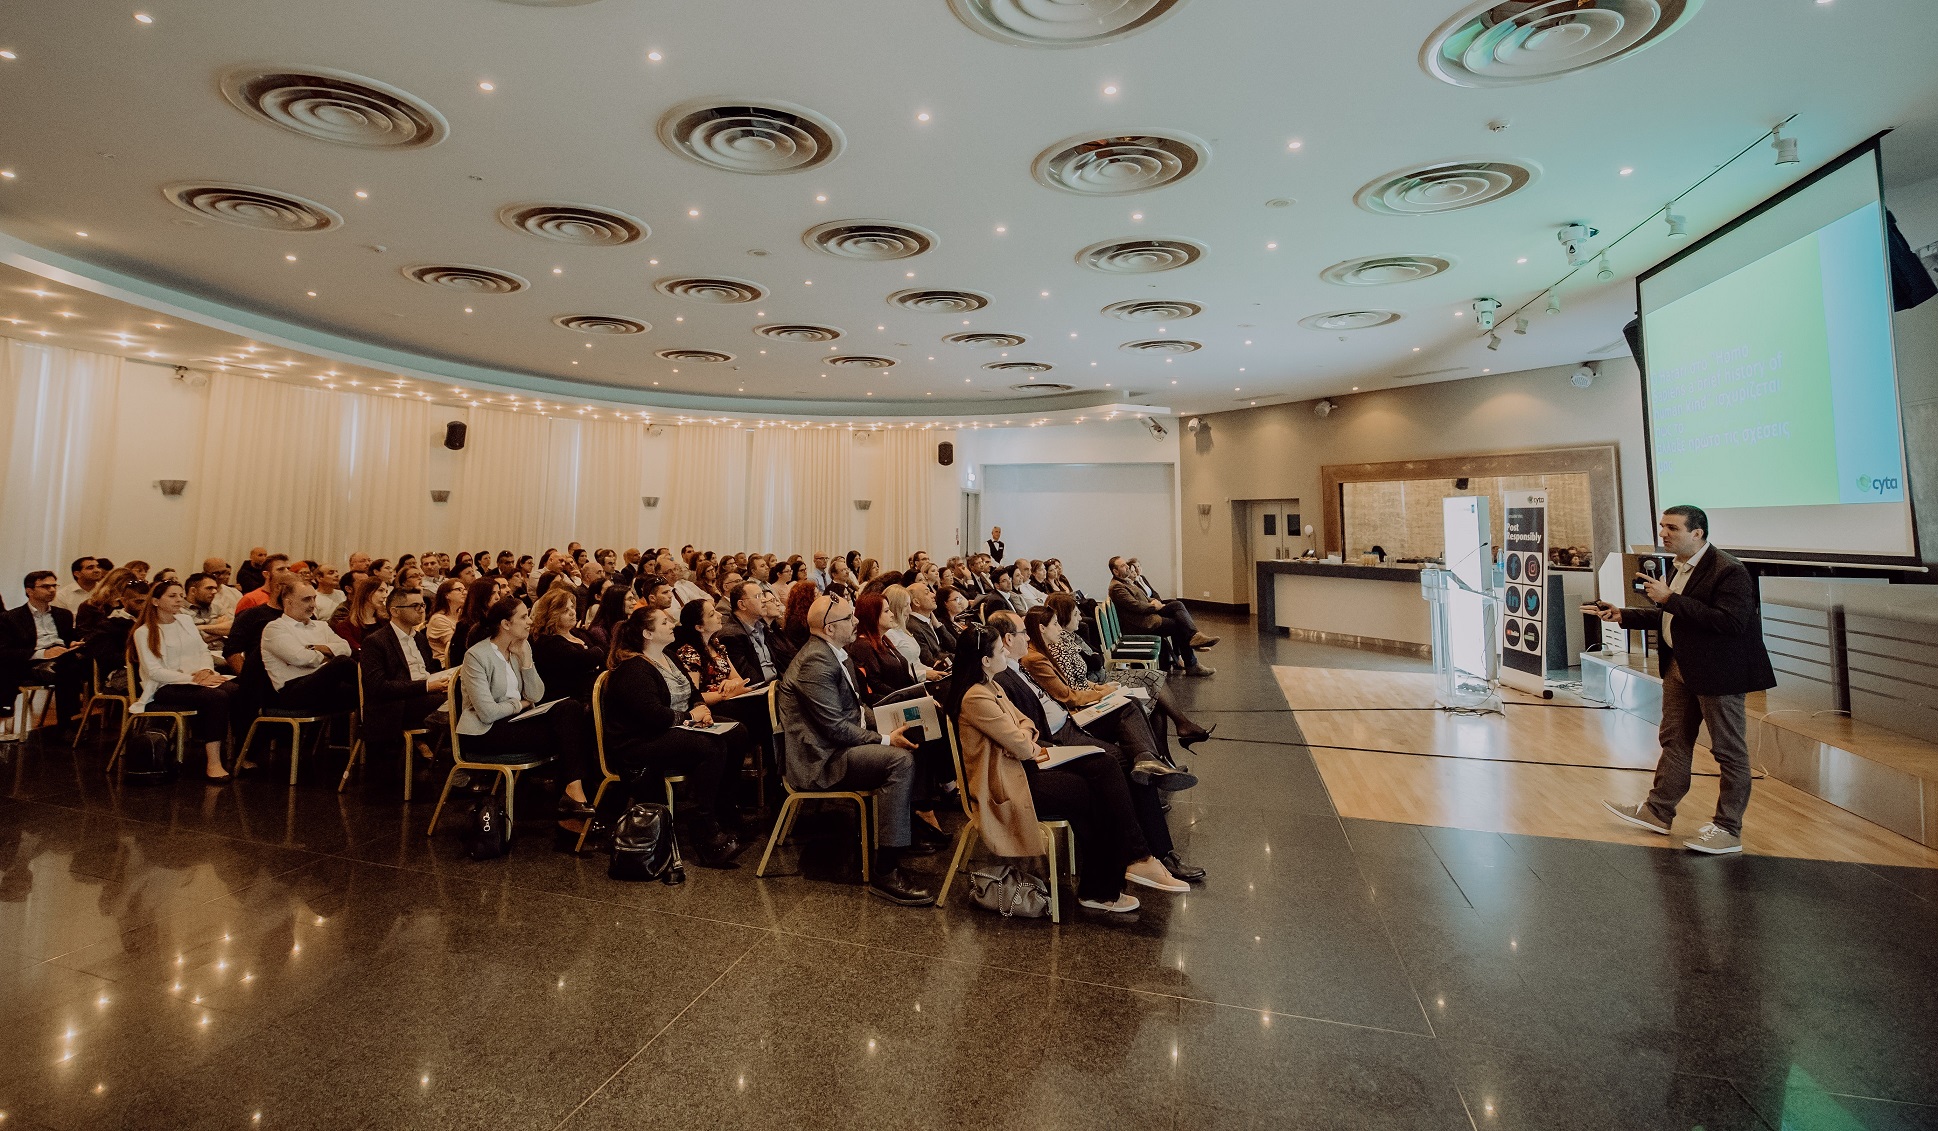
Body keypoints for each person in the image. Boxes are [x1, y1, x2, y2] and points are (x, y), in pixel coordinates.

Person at [945, 623, 1186, 914]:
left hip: (1022, 768)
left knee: (1104, 764)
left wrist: (1023, 738)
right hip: (1004, 783)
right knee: (1087, 790)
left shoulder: (991, 685)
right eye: (999, 650)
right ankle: (1106, 884)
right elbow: (1022, 744)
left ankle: (1137, 860)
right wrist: (1025, 741)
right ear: (985, 660)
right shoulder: (975, 697)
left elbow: (1026, 724)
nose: (1005, 653)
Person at [1598, 506, 1777, 855]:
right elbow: (1675, 616)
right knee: (1674, 741)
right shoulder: (1680, 566)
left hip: (1718, 673)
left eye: (1672, 528)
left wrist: (1671, 599)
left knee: (1728, 751)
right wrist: (1625, 614)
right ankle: (1658, 811)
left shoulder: (1729, 571)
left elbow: (1730, 623)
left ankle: (1728, 829)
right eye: (1662, 526)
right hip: (1680, 668)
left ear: (1698, 533)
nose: (1663, 534)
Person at [777, 594, 932, 905]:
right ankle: (885, 870)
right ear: (829, 627)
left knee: (924, 729)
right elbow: (834, 728)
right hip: (822, 759)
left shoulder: (834, 652)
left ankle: (907, 822)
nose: (857, 622)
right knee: (898, 760)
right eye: (849, 618)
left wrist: (892, 720)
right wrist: (886, 739)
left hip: (836, 744)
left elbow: (856, 711)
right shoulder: (815, 661)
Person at [600, 608, 745, 866]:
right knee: (710, 746)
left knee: (737, 732)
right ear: (647, 633)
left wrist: (701, 710)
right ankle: (704, 828)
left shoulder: (668, 656)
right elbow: (653, 716)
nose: (672, 624)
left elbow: (692, 692)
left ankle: (724, 809)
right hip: (638, 741)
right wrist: (691, 716)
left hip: (672, 728)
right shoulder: (633, 668)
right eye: (664, 622)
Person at [457, 597, 597, 820]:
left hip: (513, 723)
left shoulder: (520, 648)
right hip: (484, 733)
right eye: (523, 617)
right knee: (573, 735)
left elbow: (535, 695)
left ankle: (574, 794)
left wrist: (525, 660)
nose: (530, 621)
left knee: (570, 709)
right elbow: (487, 713)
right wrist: (519, 704)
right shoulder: (476, 656)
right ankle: (573, 803)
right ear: (505, 624)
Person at [1037, 592, 1211, 758]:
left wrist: (1097, 676)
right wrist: (1101, 689)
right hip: (1094, 690)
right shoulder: (1058, 645)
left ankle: (1166, 752)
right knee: (1153, 681)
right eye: (1076, 614)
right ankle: (1175, 736)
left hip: (1097, 683)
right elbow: (1083, 675)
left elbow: (1093, 660)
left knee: (1155, 683)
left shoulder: (1068, 638)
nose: (1081, 618)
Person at [129, 578, 238, 780]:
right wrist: (193, 678)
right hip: (164, 687)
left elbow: (203, 650)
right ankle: (213, 761)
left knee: (235, 689)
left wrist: (206, 669)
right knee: (217, 697)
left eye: (180, 595)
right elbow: (154, 672)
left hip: (196, 680)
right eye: (172, 596)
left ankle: (236, 753)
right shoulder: (143, 632)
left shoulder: (186, 621)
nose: (179, 600)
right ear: (155, 601)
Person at [360, 585, 453, 773]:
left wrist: (444, 679)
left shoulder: (419, 638)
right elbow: (378, 687)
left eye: (423, 605)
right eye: (415, 606)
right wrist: (427, 686)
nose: (422, 610)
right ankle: (457, 764)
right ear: (394, 611)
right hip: (395, 705)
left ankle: (456, 759)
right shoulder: (376, 641)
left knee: (464, 695)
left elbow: (428, 670)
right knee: (460, 703)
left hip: (424, 696)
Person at [0, 571, 88, 734]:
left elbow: (68, 637)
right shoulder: (11, 618)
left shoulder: (64, 615)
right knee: (70, 668)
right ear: (29, 591)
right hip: (32, 662)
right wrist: (43, 654)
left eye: (54, 585)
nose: (52, 590)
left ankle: (73, 721)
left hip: (63, 656)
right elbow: (5, 652)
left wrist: (73, 643)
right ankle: (68, 724)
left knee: (74, 662)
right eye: (45, 586)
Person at [261, 581, 359, 714]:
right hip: (292, 691)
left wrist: (314, 648)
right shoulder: (275, 628)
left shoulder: (321, 626)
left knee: (357, 694)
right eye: (307, 599)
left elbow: (346, 648)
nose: (313, 604)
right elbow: (300, 658)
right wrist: (329, 655)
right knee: (342, 663)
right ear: (288, 602)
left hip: (324, 685)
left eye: (314, 598)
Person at [1108, 556, 1213, 676]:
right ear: (1115, 571)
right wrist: (1154, 606)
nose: (1127, 567)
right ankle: (1193, 654)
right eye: (1122, 566)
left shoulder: (1125, 582)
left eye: (1126, 564)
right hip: (1141, 624)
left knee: (1177, 605)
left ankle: (1194, 638)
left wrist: (1153, 601)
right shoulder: (1117, 587)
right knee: (1178, 624)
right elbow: (1135, 605)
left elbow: (1144, 597)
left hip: (1146, 616)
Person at [1127, 558, 1218, 652]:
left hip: (1156, 603)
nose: (1136, 571)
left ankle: (1193, 640)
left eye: (1138, 566)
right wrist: (1157, 605)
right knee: (1177, 608)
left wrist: (1159, 602)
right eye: (1133, 570)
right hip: (1151, 609)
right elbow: (1141, 602)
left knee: (1178, 610)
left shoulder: (1142, 578)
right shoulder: (1133, 584)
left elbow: (1153, 592)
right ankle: (1192, 641)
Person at [529, 588, 602, 704]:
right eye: (565, 610)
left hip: (592, 693)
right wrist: (597, 652)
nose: (573, 612)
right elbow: (583, 659)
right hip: (570, 702)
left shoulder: (578, 633)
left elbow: (603, 651)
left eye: (572, 607)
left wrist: (597, 653)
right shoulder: (548, 643)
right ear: (551, 615)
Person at [716, 580, 793, 686]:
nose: (764, 600)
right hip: (760, 694)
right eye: (758, 596)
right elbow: (748, 679)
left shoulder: (763, 628)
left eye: (762, 595)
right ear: (742, 605)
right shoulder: (731, 637)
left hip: (777, 685)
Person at [426, 579, 466, 665]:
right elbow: (456, 646)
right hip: (446, 665)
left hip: (461, 660)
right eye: (459, 589)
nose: (464, 593)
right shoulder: (438, 619)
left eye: (464, 589)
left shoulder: (461, 614)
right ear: (447, 595)